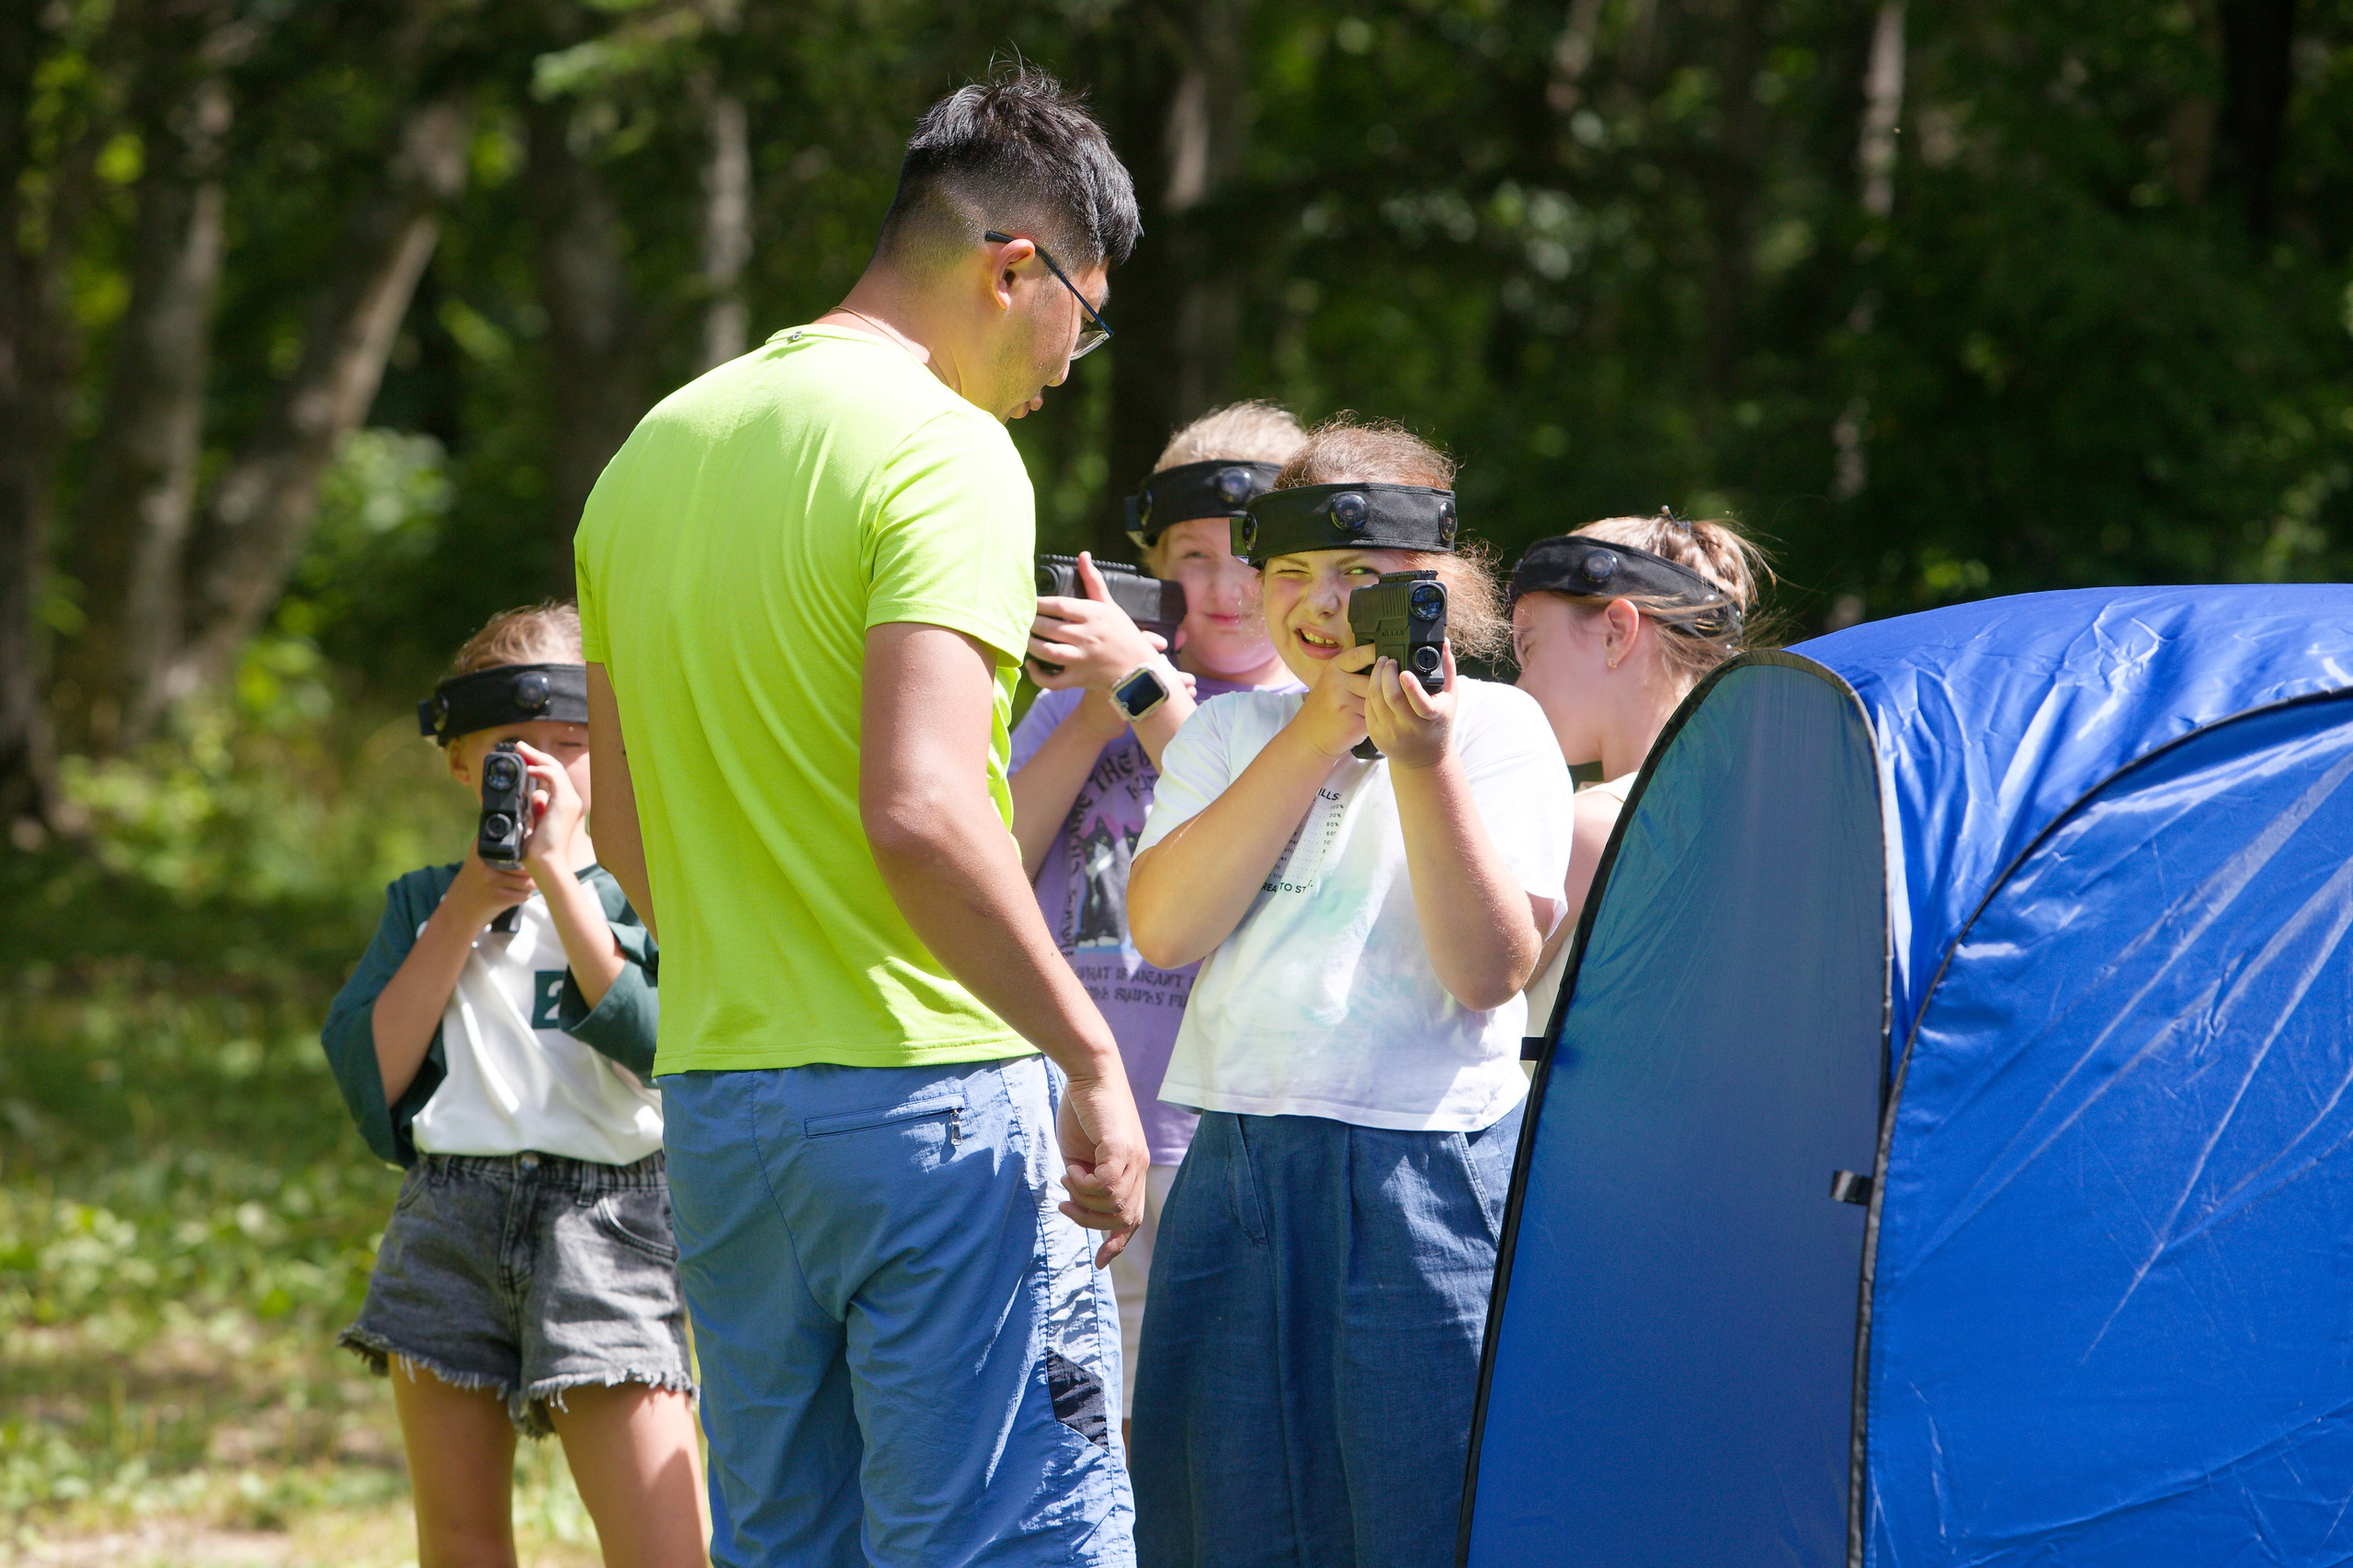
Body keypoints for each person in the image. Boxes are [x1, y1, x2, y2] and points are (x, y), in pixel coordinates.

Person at [570, 66, 1152, 1567]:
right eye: (1081, 310)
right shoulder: (948, 452)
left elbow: (623, 838)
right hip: (930, 1104)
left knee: (785, 1543)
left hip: (719, 1107)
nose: (1071, 363)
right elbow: (919, 806)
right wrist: (1087, 1053)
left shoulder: (652, 455)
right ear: (1011, 267)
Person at [1122, 418, 1576, 1567]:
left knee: (1423, 1508)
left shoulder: (1502, 729)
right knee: (1222, 1512)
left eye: (1357, 579)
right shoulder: (1229, 730)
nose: (1318, 607)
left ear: (1431, 589)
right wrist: (1324, 724)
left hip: (1424, 1166)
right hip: (1236, 1164)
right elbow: (1167, 926)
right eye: (1289, 575)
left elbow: (1489, 970)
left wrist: (1417, 761)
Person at [322, 603, 705, 1568]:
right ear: (460, 763)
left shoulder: (649, 894)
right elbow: (373, 1075)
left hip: (608, 1224)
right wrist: (468, 902)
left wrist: (562, 881)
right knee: (458, 1537)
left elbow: (658, 1046)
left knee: (661, 1541)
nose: (541, 770)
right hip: (449, 1214)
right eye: (511, 751)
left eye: (571, 746)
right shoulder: (421, 901)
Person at [1009, 401, 1309, 1437]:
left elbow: (1261, 849)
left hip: (1219, 1130)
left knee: (1205, 1431)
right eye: (1191, 557)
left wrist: (1136, 687)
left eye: (1249, 558)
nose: (1223, 589)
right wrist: (1094, 706)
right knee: (1070, 1428)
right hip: (1065, 1126)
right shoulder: (1085, 700)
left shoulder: (1299, 717)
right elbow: (990, 861)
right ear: (1145, 562)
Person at [1509, 510, 1769, 1036]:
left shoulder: (1592, 826)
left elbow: (1446, 1003)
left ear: (1617, 633)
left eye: (1529, 646)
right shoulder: (1756, 809)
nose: (1519, 684)